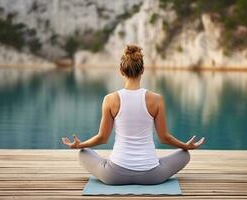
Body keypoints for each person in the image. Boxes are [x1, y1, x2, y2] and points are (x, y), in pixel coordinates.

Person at [62, 44, 205, 185]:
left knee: (83, 153)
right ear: (142, 70)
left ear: (121, 71)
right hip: (152, 176)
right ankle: (154, 162)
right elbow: (164, 138)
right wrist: (186, 146)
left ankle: (103, 158)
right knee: (184, 155)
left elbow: (102, 138)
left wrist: (80, 145)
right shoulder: (156, 99)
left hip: (114, 175)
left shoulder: (110, 99)